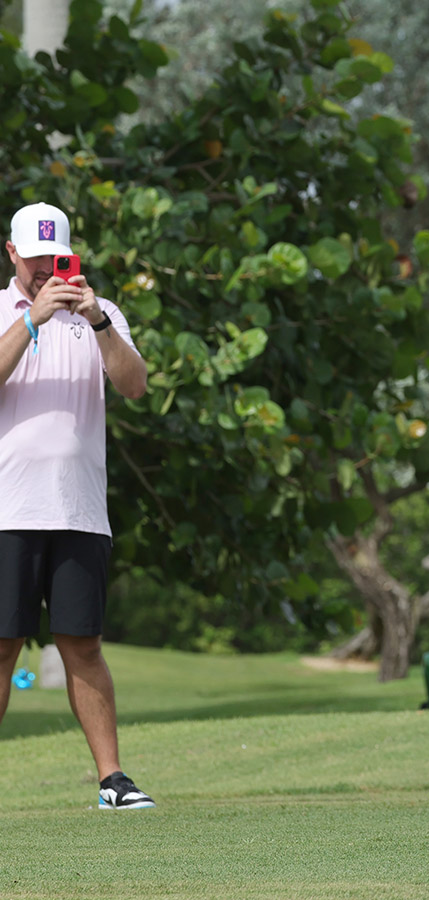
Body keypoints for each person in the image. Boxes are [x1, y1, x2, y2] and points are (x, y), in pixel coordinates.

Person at [0, 202, 154, 809]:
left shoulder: (102, 313)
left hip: (79, 510)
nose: (46, 269)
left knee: (83, 644)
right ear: (12, 252)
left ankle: (113, 779)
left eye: (56, 256)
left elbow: (135, 385)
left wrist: (97, 322)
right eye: (35, 258)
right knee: (3, 647)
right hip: (8, 510)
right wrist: (32, 321)